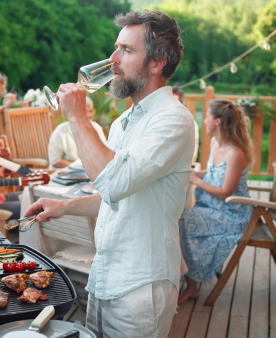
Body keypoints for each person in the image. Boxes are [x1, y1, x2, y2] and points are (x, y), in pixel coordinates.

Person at [24, 10, 194, 337]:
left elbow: (113, 181)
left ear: (158, 63)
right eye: (116, 48)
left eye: (126, 51)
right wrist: (64, 207)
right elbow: (115, 196)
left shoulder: (173, 120)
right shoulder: (123, 122)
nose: (113, 59)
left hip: (141, 285)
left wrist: (77, 119)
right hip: (104, 276)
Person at [177, 99, 253, 303]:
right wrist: (190, 172)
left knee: (179, 221)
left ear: (217, 121)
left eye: (207, 117)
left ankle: (189, 283)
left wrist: (194, 180)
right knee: (179, 220)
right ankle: (189, 280)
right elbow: (211, 173)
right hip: (211, 208)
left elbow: (225, 192)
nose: (204, 122)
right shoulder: (215, 143)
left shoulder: (235, 154)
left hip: (232, 215)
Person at [47, 96, 107, 168]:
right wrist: (79, 167)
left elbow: (103, 154)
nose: (89, 115)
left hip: (90, 172)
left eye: (90, 111)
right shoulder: (61, 131)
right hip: (65, 174)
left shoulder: (97, 128)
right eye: (85, 111)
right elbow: (55, 161)